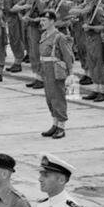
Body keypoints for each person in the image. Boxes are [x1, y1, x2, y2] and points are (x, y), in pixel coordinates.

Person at [37, 10, 75, 139]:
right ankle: (54, 124)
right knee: (50, 98)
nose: (41, 23)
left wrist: (70, 74)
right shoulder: (44, 35)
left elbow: (68, 56)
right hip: (46, 70)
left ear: (52, 21)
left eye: (44, 20)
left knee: (58, 98)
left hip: (56, 71)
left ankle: (61, 126)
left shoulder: (59, 37)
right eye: (41, 20)